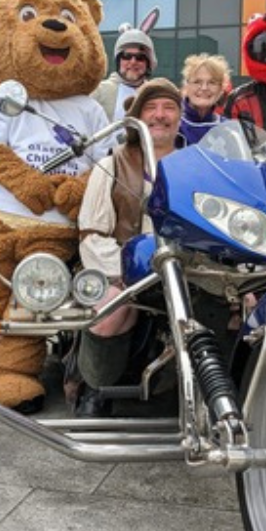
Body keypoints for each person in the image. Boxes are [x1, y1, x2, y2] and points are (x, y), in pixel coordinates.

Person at [73, 78, 183, 417]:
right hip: (127, 272)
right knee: (110, 312)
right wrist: (123, 273)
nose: (160, 115)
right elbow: (91, 233)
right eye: (151, 108)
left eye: (169, 108)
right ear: (137, 117)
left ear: (180, 117)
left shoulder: (196, 164)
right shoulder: (112, 164)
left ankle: (218, 393)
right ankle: (95, 386)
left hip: (188, 270)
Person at [91, 9, 159, 122]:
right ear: (118, 60)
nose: (133, 62)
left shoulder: (156, 93)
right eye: (127, 56)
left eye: (140, 57)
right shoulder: (99, 91)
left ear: (149, 63)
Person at [178, 53, 230, 146]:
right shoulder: (173, 124)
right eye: (197, 82)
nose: (204, 88)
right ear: (186, 86)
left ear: (221, 89)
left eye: (212, 82)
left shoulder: (228, 129)